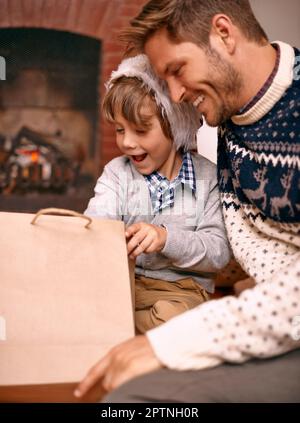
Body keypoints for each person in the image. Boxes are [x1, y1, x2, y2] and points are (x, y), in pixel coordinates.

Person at [74, 0, 300, 402]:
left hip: (242, 315)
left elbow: (218, 252)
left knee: (127, 399)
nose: (176, 94)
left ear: (224, 33)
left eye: (177, 70)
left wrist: (180, 338)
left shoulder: (209, 168)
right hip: (256, 319)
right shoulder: (232, 122)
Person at [84, 53, 230, 334]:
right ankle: (128, 334)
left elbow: (218, 252)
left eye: (140, 129)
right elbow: (96, 222)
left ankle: (120, 334)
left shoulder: (208, 178)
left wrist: (165, 238)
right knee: (82, 307)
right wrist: (95, 233)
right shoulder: (117, 174)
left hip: (181, 293)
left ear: (177, 126)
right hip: (124, 287)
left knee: (171, 320)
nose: (127, 142)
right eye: (118, 129)